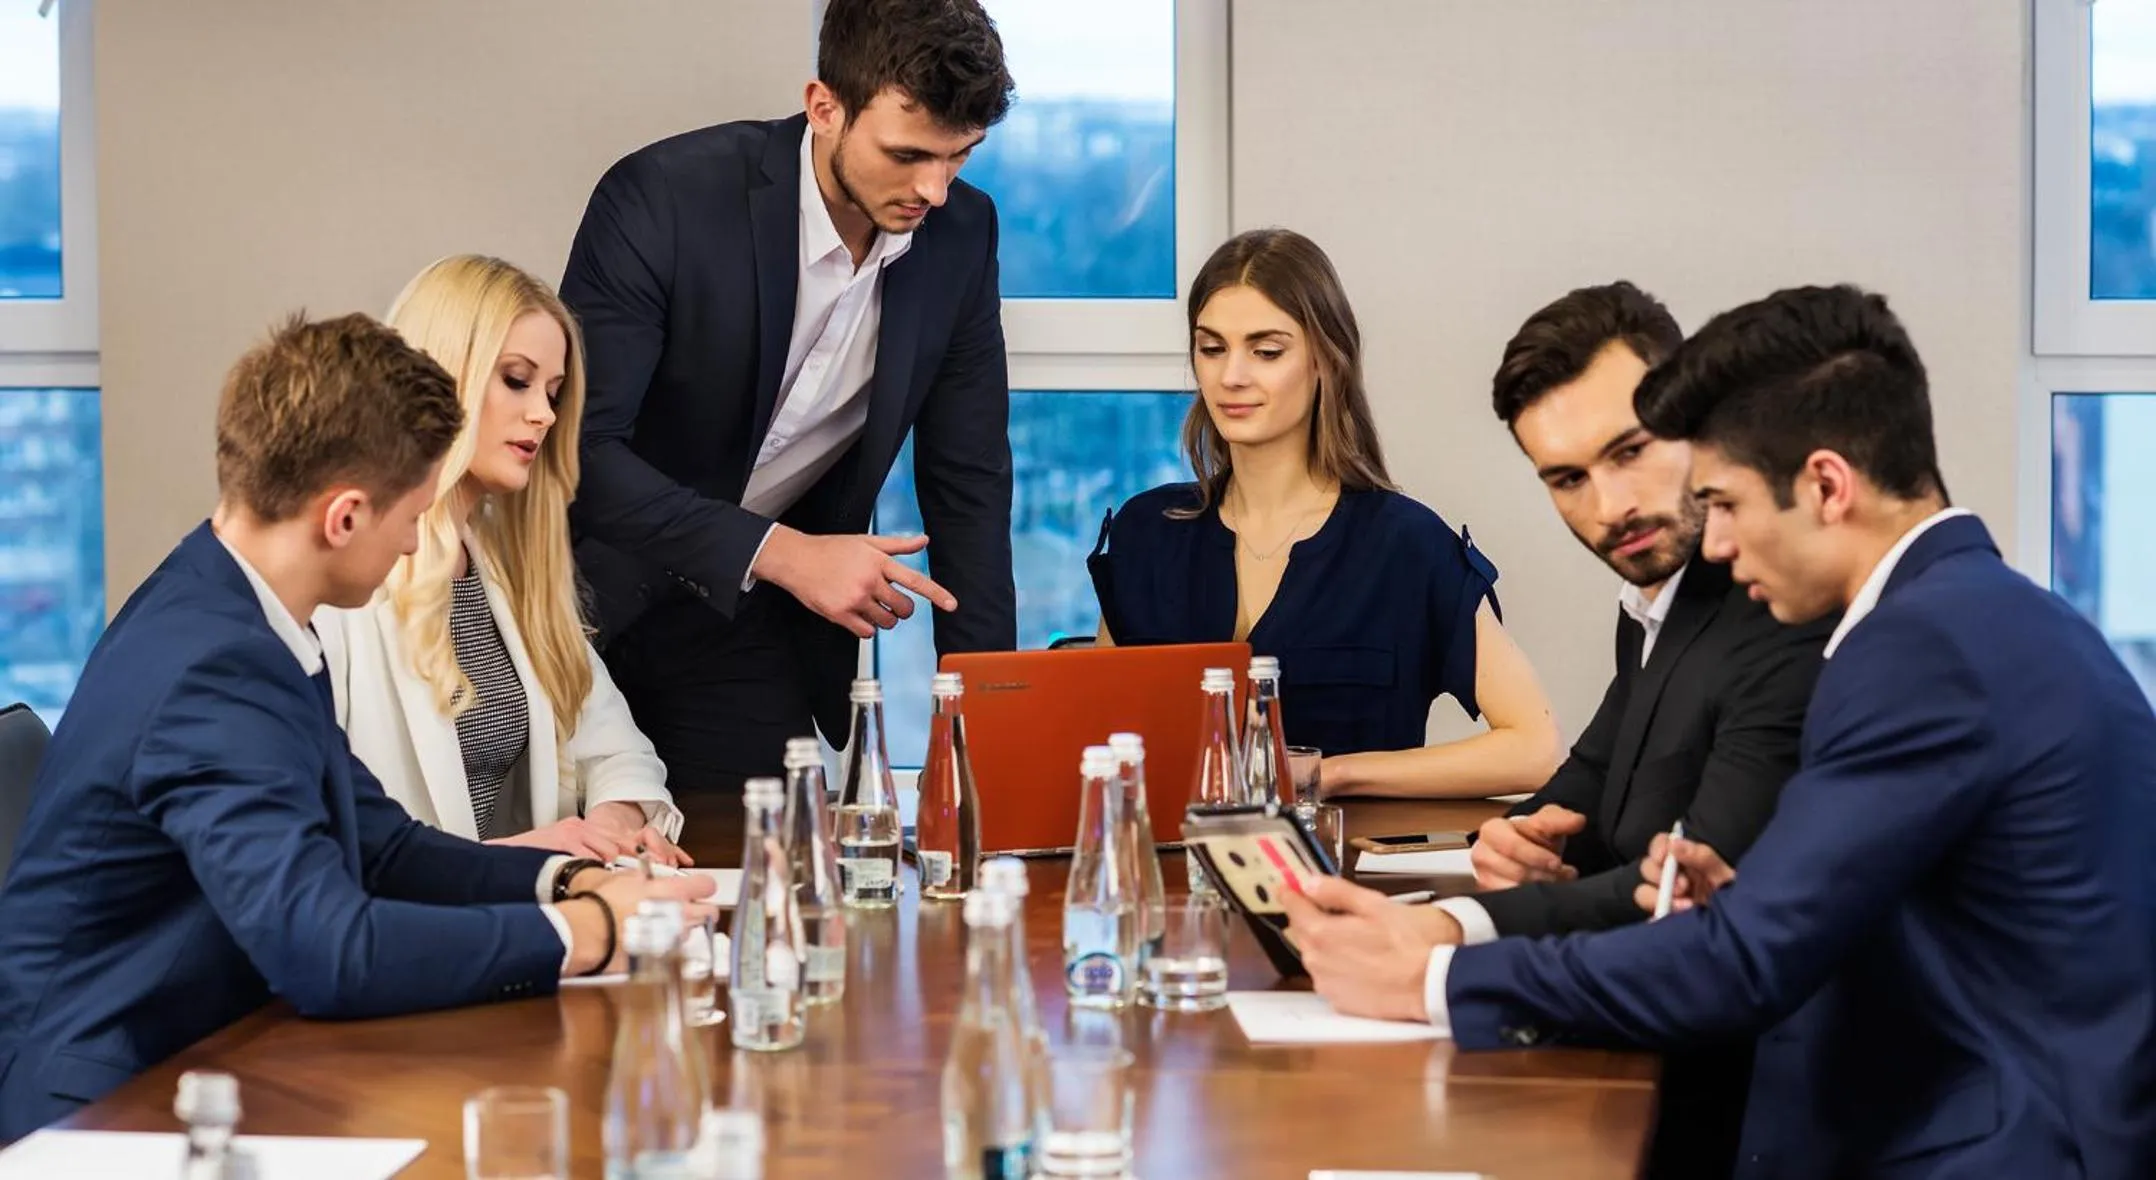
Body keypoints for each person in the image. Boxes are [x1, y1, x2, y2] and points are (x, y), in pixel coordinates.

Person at [1284, 285, 2156, 1179]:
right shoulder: (1966, 614)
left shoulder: (1923, 650)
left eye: (1728, 504)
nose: (1720, 546)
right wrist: (1731, 895)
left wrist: (1433, 977)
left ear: (1827, 486)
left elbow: (1747, 963)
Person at [0, 316, 713, 1139]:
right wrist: (590, 933)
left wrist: (568, 881)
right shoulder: (214, 669)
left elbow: (383, 846)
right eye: (411, 517)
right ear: (343, 517)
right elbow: (327, 952)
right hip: (106, 1106)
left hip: (212, 1054)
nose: (415, 542)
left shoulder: (236, 605)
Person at [560, 0, 1018, 821]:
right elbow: (582, 453)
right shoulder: (663, 197)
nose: (934, 190)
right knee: (587, 864)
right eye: (908, 155)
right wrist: (782, 552)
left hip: (740, 619)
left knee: (777, 858)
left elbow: (969, 483)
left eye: (960, 156)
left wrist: (982, 720)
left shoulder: (963, 234)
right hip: (572, 596)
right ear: (824, 106)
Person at [1466, 281, 1831, 1179]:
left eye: (1630, 452)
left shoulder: (1777, 605)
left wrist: (1452, 930)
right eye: (1568, 479)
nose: (1609, 506)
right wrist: (1519, 837)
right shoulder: (1657, 600)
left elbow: (1696, 889)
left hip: (1748, 1106)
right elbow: (1595, 774)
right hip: (1647, 1054)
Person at [1088, 228, 1561, 798]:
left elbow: (1535, 748)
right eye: (1212, 349)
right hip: (1171, 854)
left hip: (1346, 853)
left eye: (1266, 351)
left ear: (1326, 361)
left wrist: (1333, 773)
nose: (1231, 376)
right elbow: (1095, 732)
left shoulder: (1406, 545)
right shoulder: (1147, 532)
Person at [315, 255, 685, 866]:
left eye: (553, 393)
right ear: (440, 376)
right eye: (516, 380)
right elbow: (318, 838)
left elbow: (618, 750)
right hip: (407, 915)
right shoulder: (344, 579)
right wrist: (520, 861)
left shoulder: (507, 569)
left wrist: (613, 827)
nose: (544, 413)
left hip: (505, 909)